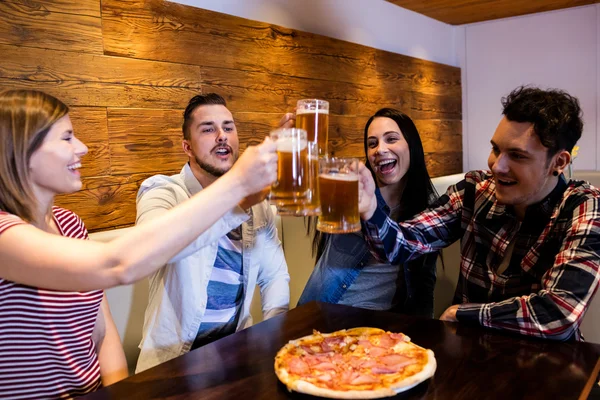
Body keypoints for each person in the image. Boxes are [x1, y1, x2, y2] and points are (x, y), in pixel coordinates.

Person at [0, 89, 277, 398]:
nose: (83, 147)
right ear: (20, 150)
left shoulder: (70, 225)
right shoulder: (3, 235)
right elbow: (117, 263)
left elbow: (101, 333)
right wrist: (237, 184)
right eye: (66, 138)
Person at [360, 86, 600, 341]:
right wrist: (370, 210)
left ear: (559, 163)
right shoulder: (475, 191)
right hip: (469, 358)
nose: (497, 166)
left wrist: (463, 314)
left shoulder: (584, 207)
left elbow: (558, 314)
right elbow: (399, 246)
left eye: (517, 155)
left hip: (547, 367)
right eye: (496, 149)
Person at [135, 93, 290, 373]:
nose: (222, 136)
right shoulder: (161, 191)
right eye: (208, 129)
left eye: (228, 127)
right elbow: (153, 248)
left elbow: (274, 275)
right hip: (173, 364)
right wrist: (239, 202)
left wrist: (274, 335)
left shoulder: (256, 202)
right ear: (188, 147)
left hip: (238, 353)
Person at [288, 108, 438, 316]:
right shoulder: (350, 190)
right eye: (372, 143)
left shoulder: (428, 211)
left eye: (391, 139)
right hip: (320, 316)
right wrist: (299, 149)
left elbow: (424, 284)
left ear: (411, 145)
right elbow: (302, 195)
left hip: (378, 331)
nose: (380, 149)